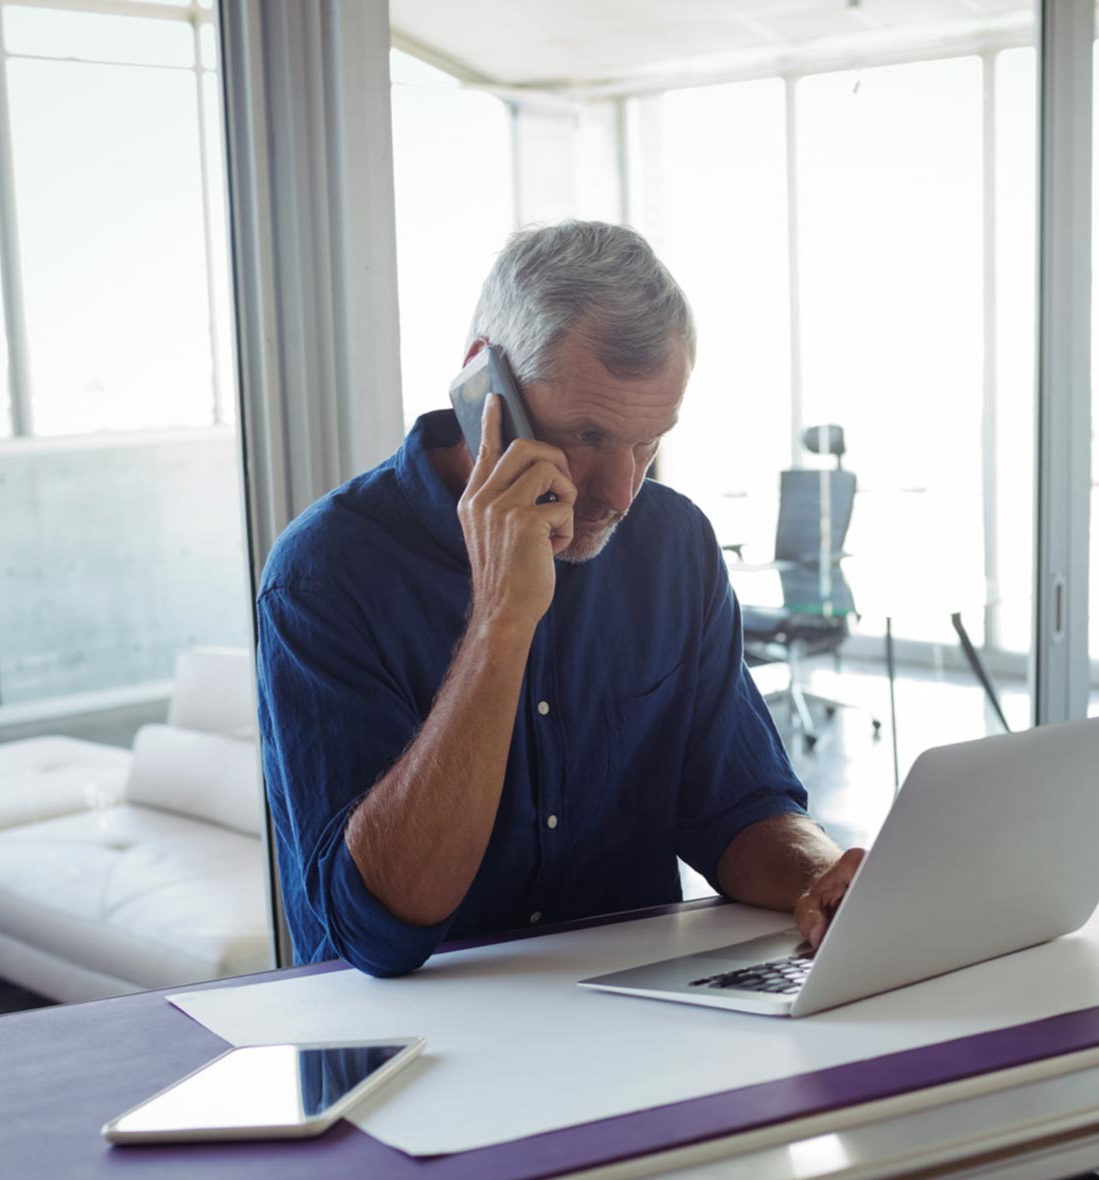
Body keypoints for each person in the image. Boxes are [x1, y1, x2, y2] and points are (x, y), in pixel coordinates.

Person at [256, 221, 861, 977]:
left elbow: (735, 807)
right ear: (485, 385)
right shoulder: (325, 573)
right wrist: (499, 622)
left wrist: (824, 880)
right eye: (588, 436)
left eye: (649, 441)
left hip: (634, 1026)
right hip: (410, 1052)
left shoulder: (673, 546)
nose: (621, 492)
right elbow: (378, 927)